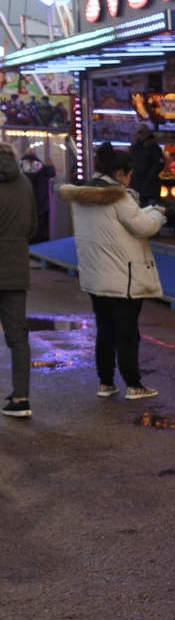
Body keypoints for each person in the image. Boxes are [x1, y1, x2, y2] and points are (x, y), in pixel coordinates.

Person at [59, 150, 166, 402]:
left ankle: (105, 382)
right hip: (123, 277)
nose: (130, 180)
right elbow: (144, 227)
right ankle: (134, 384)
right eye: (129, 175)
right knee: (127, 334)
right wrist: (157, 213)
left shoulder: (83, 195)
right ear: (119, 173)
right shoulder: (118, 196)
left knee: (105, 331)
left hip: (96, 277)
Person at [0, 141, 39, 418]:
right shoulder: (24, 182)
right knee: (18, 338)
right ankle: (21, 398)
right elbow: (33, 225)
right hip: (15, 267)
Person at [19, 146, 56, 244]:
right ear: (35, 155)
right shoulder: (41, 165)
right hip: (41, 201)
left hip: (25, 200)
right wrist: (51, 165)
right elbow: (52, 173)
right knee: (40, 225)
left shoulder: (19, 165)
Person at [128, 126, 165, 209]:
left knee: (146, 210)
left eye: (141, 132)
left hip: (147, 186)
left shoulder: (152, 147)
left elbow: (158, 165)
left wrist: (149, 177)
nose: (139, 134)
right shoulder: (136, 147)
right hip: (143, 186)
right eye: (138, 132)